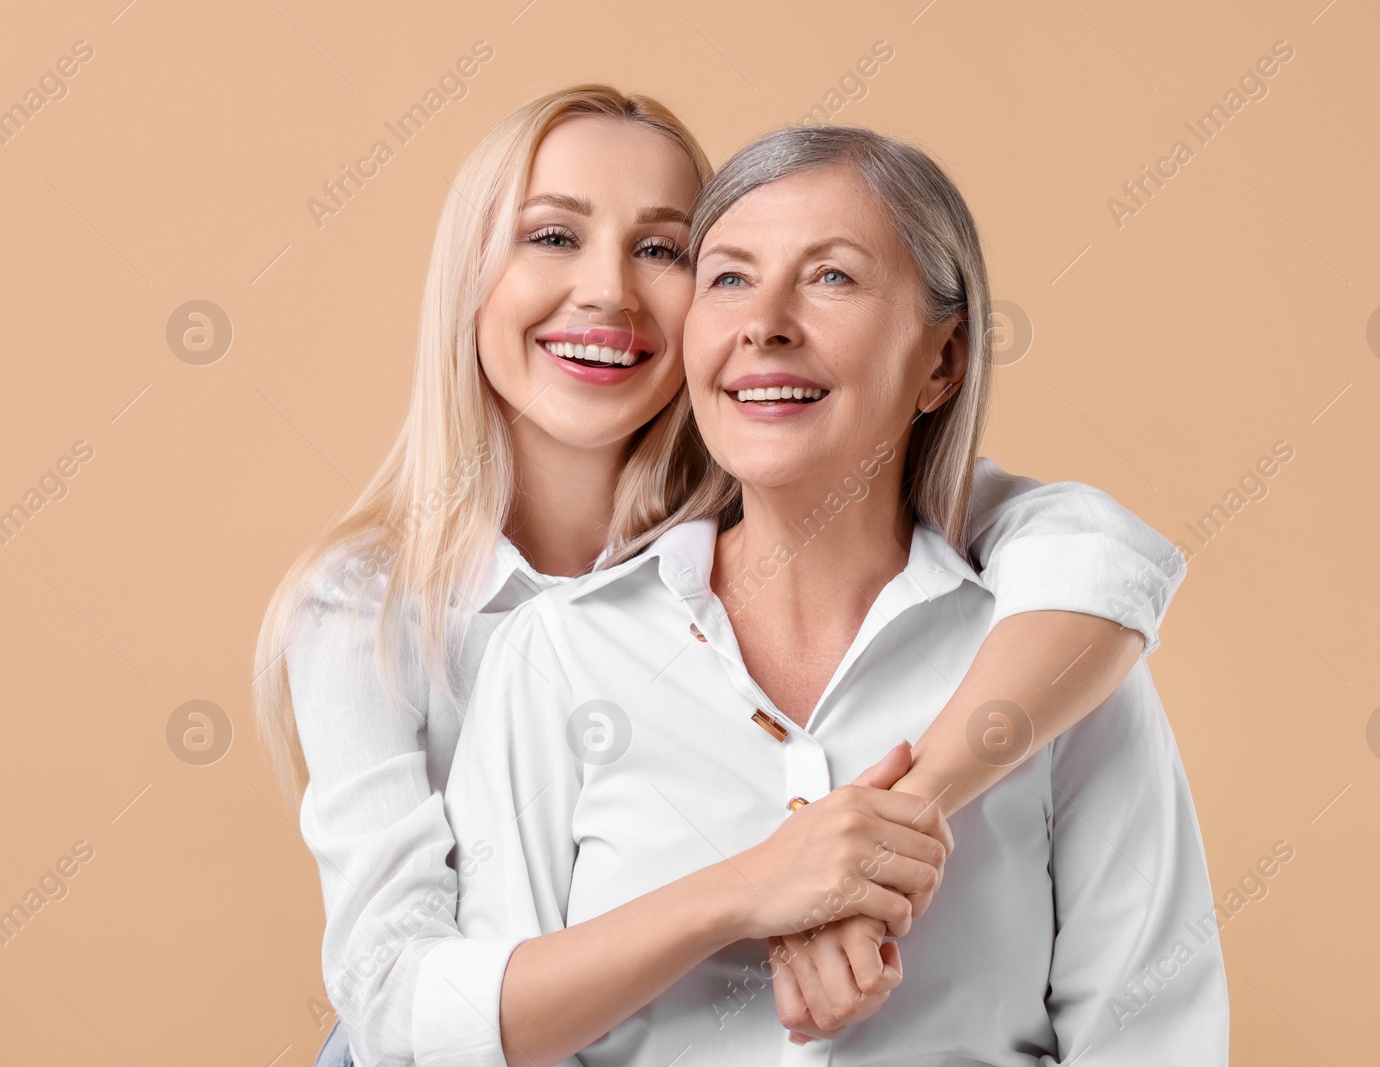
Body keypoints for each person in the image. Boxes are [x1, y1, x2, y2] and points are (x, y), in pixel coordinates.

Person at [252, 87, 1186, 1067]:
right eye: (552, 236)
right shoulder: (371, 611)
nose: (609, 290)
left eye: (661, 250)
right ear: (469, 275)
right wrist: (759, 884)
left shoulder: (831, 503)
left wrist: (882, 831)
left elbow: (1098, 559)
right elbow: (397, 1002)